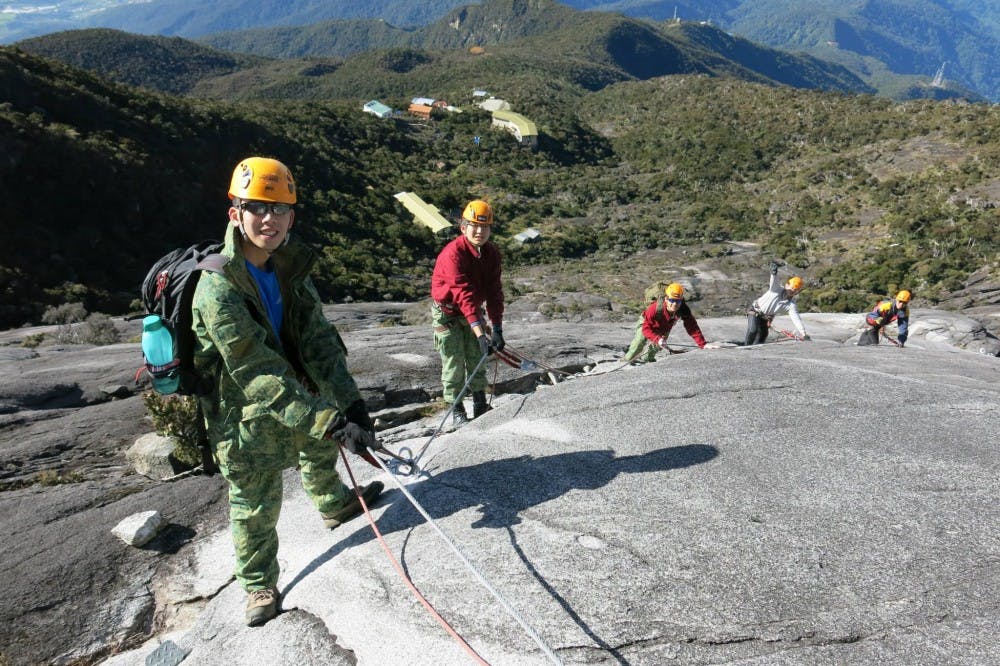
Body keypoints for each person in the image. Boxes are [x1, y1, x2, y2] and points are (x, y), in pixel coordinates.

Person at [191, 157, 384, 627]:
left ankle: (334, 503)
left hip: (294, 394)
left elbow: (319, 340)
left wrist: (351, 404)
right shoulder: (217, 288)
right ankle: (258, 582)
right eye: (257, 207)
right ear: (235, 212)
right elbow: (256, 372)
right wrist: (333, 422)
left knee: (319, 446)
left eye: (279, 209)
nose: (269, 219)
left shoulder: (290, 270)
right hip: (243, 417)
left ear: (291, 217)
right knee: (255, 503)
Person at [430, 199, 505, 424]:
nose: (479, 231)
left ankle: (480, 403)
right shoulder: (453, 254)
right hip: (449, 314)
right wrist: (481, 333)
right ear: (463, 227)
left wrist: (498, 328)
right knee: (453, 363)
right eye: (474, 226)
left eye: (484, 227)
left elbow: (494, 292)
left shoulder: (491, 254)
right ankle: (457, 410)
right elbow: (463, 295)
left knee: (476, 358)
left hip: (471, 313)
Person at [744, 262, 809, 345]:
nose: (791, 291)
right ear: (786, 285)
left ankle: (755, 351)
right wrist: (773, 273)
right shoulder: (776, 289)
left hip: (765, 317)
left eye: (794, 290)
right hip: (755, 311)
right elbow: (774, 280)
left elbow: (796, 319)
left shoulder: (790, 305)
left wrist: (804, 334)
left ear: (797, 292)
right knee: (753, 330)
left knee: (763, 335)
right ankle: (745, 347)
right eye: (791, 289)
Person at [637, 283, 706, 359]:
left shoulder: (683, 308)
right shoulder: (654, 308)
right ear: (666, 299)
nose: (675, 304)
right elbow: (646, 329)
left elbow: (692, 326)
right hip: (646, 323)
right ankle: (627, 360)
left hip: (664, 327)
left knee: (656, 348)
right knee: (638, 343)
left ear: (681, 300)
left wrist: (703, 344)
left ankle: (648, 361)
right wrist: (657, 338)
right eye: (672, 300)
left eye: (678, 301)